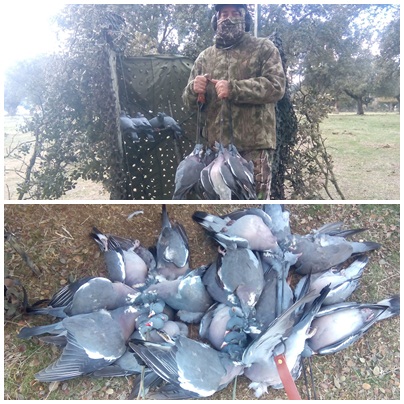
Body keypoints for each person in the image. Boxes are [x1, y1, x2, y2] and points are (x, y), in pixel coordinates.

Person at [182, 4, 286, 199]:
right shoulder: (205, 57)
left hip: (252, 149)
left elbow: (276, 86)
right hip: (214, 150)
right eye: (223, 14)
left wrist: (234, 89)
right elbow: (188, 103)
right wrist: (193, 90)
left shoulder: (263, 48)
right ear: (216, 20)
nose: (228, 19)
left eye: (235, 13)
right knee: (218, 200)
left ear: (245, 19)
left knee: (254, 201)